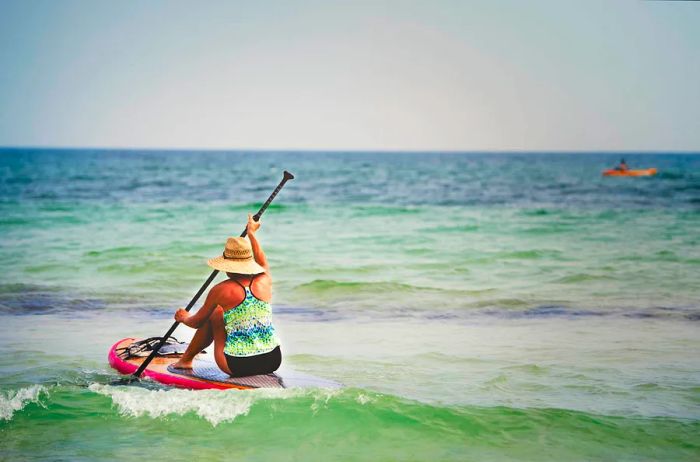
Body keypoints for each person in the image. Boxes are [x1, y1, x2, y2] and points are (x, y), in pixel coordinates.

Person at [171, 213, 281, 377]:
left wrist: (184, 318)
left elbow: (197, 322)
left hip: (237, 365)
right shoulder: (265, 280)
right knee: (225, 315)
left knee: (215, 314)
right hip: (272, 360)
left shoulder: (221, 290)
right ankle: (186, 360)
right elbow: (263, 262)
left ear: (227, 265)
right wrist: (251, 234)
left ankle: (185, 360)